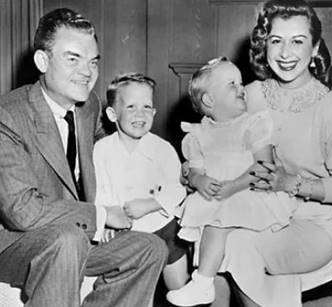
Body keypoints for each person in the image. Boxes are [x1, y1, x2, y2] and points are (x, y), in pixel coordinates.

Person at [180, 0, 332, 306]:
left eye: (298, 41)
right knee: (210, 230)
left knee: (234, 243)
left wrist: (291, 183)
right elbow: (208, 143)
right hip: (249, 209)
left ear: (315, 47)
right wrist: (193, 173)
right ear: (265, 46)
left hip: (311, 226)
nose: (286, 53)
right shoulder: (245, 95)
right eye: (276, 41)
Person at [0, 8, 168, 307]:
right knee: (68, 239)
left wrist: (160, 165)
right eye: (73, 58)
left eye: (93, 61)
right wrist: (101, 215)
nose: (87, 72)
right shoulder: (8, 116)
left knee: (149, 248)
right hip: (17, 245)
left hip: (75, 236)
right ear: (42, 61)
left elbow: (110, 145)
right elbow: (21, 211)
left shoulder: (88, 105)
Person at [166, 57, 298, 306]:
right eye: (231, 84)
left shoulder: (252, 125)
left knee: (216, 224)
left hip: (250, 192)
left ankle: (201, 282)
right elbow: (193, 171)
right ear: (209, 100)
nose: (241, 89)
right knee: (207, 232)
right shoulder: (198, 134)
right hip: (216, 198)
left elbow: (264, 166)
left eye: (241, 83)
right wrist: (199, 179)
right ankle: (210, 288)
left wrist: (232, 186)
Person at [93, 72, 189, 290]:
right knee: (135, 288)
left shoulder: (162, 149)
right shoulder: (102, 150)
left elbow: (177, 189)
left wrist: (150, 204)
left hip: (163, 226)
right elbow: (98, 189)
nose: (140, 114)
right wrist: (107, 217)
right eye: (131, 107)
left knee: (178, 286)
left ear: (154, 112)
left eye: (147, 107)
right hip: (125, 232)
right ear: (112, 113)